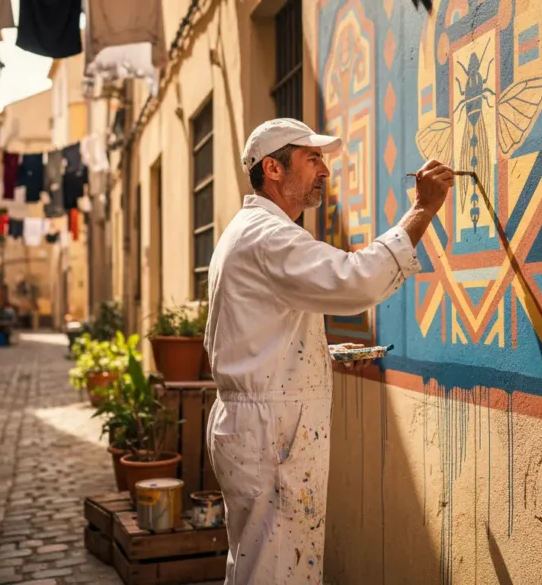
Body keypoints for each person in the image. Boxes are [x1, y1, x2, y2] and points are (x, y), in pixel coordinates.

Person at [204, 118, 454, 584]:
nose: (324, 170)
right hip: (270, 430)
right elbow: (356, 280)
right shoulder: (269, 236)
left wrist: (319, 351)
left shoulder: (249, 230)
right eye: (312, 158)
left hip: (257, 423)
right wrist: (421, 209)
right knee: (276, 572)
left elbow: (255, 331)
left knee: (260, 565)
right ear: (273, 169)